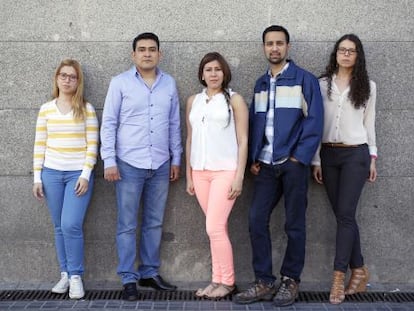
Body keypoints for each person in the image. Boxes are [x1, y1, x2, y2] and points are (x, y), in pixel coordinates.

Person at [233, 25, 323, 307]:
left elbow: (315, 121)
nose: (275, 48)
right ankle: (264, 280)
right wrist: (255, 159)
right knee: (256, 220)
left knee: (294, 224)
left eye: (279, 43)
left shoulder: (304, 80)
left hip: (293, 164)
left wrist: (299, 158)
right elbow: (256, 123)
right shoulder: (260, 83)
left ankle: (290, 280)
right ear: (264, 48)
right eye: (270, 44)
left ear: (288, 47)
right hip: (266, 166)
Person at [100, 32, 182, 301]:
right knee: (126, 224)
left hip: (160, 163)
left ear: (160, 54)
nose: (147, 53)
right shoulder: (120, 83)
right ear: (133, 54)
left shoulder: (169, 84)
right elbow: (109, 123)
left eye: (152, 49)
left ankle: (149, 272)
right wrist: (109, 160)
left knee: (154, 222)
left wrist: (176, 158)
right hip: (128, 164)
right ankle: (128, 277)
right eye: (142, 49)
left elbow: (174, 124)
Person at [312, 34, 377, 305]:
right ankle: (359, 269)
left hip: (356, 155)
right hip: (328, 155)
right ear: (336, 54)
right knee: (343, 216)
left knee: (346, 216)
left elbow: (369, 123)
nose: (346, 54)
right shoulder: (321, 85)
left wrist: (372, 157)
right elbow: (315, 125)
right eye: (342, 50)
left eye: (351, 51)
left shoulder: (368, 87)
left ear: (357, 56)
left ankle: (338, 278)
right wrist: (316, 159)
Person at [32, 59, 99, 299]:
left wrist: (85, 175)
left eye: (72, 76)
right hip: (51, 173)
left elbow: (93, 144)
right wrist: (37, 177)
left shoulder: (86, 109)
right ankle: (64, 273)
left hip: (76, 175)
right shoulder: (46, 109)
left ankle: (76, 276)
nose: (67, 80)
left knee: (71, 224)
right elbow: (40, 144)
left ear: (78, 81)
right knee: (59, 227)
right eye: (63, 75)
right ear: (57, 78)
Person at [185, 52, 248, 299]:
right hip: (200, 173)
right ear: (202, 73)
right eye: (208, 69)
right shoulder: (193, 101)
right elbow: (190, 138)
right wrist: (190, 175)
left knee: (214, 226)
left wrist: (239, 176)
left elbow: (243, 140)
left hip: (225, 171)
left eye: (218, 69)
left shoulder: (235, 100)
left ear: (225, 73)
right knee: (215, 229)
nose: (213, 74)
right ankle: (217, 280)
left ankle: (228, 282)